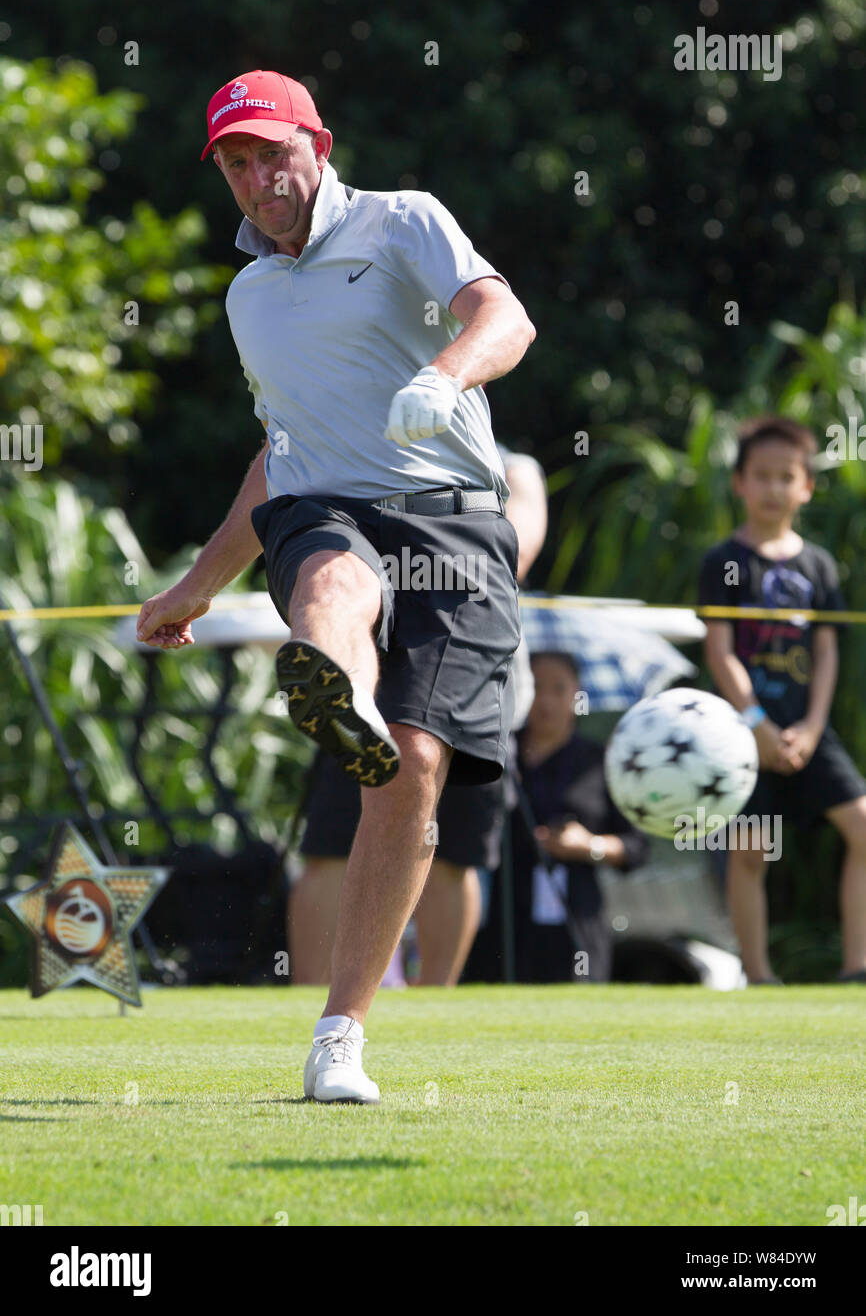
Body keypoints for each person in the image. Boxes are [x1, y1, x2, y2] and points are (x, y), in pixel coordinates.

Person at [134, 70, 535, 1101]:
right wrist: (193, 585)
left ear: (317, 142)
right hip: (326, 510)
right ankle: (337, 684)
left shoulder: (403, 220)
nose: (259, 178)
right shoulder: (247, 296)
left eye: (273, 152)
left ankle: (338, 1037)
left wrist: (444, 375)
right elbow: (278, 453)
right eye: (235, 162)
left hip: (452, 516)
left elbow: (504, 314)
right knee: (326, 574)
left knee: (411, 767)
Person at [289, 447, 547, 987]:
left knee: (452, 857)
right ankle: (309, 1000)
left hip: (472, 680)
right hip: (371, 681)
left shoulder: (512, 469)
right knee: (330, 850)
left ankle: (434, 1002)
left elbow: (508, 557)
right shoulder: (363, 447)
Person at [698, 416, 866, 985]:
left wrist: (814, 726)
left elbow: (826, 655)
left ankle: (856, 968)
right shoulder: (722, 561)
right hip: (745, 733)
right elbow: (721, 654)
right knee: (750, 850)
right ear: (740, 483)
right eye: (761, 476)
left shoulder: (818, 566)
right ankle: (760, 977)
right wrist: (756, 723)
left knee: (862, 828)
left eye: (785, 477)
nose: (773, 488)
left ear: (806, 486)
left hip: (807, 730)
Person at [502, 652, 649, 983]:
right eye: (536, 687)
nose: (546, 700)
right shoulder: (499, 754)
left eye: (559, 688)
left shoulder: (599, 761)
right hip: (504, 921)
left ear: (577, 694)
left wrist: (589, 846)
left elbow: (637, 848)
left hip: (576, 922)